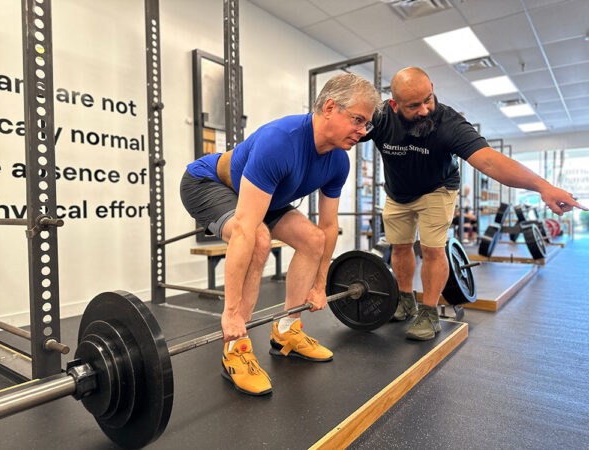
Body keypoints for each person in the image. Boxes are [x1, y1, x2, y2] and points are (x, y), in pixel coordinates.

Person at [180, 73, 381, 395]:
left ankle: (286, 330)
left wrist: (319, 285)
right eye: (358, 120)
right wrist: (230, 314)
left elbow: (328, 227)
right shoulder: (280, 140)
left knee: (312, 239)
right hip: (208, 183)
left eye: (366, 124)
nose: (362, 131)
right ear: (330, 107)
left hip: (266, 195)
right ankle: (236, 348)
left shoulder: (338, 162)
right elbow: (246, 229)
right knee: (258, 238)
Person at [361, 67, 586, 341]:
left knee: (432, 249)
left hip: (438, 189)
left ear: (432, 86)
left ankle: (429, 311)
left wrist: (543, 186)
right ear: (394, 104)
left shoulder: (448, 123)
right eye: (413, 106)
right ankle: (406, 299)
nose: (424, 110)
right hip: (397, 192)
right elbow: (345, 130)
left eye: (428, 99)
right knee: (400, 246)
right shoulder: (381, 117)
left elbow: (491, 161)